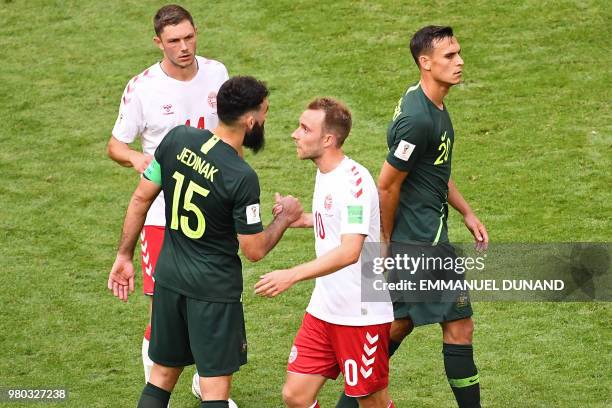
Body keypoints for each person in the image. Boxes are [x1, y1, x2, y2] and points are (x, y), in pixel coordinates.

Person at [108, 76, 303, 408]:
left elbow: (141, 198)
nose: (266, 121)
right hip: (213, 291)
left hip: (169, 278)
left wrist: (124, 255)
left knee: (161, 377)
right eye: (265, 113)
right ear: (250, 120)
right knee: (214, 392)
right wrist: (285, 217)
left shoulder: (177, 139)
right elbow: (254, 250)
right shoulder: (240, 177)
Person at [336, 26, 489, 408]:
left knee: (401, 325)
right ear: (426, 63)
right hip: (422, 241)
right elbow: (386, 185)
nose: (460, 62)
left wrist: (466, 211)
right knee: (455, 326)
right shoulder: (418, 120)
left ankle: (349, 398)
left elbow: (433, 168)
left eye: (458, 53)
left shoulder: (425, 100)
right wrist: (385, 242)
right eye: (449, 56)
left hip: (424, 235)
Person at [106, 4, 229, 390]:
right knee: (165, 308)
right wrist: (134, 157)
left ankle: (204, 382)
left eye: (189, 37)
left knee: (212, 303)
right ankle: (158, 392)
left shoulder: (217, 73)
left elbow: (228, 134)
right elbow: (115, 144)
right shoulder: (142, 87)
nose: (184, 47)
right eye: (174, 41)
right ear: (158, 42)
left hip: (211, 211)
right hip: (162, 213)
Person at [256, 98, 395, 408]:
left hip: (360, 316)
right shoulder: (325, 173)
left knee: (371, 402)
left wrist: (291, 275)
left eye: (305, 128)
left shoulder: (354, 183)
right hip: (324, 308)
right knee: (296, 395)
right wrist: (298, 218)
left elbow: (350, 250)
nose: (295, 134)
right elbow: (334, 223)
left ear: (328, 139)